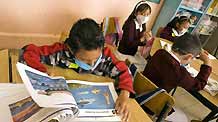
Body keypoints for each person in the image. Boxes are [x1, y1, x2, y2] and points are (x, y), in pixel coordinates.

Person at [20, 18, 134, 121]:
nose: (92, 64)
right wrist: (42, 71)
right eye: (85, 60)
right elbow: (27, 52)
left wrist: (124, 94)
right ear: (70, 49)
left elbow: (125, 72)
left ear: (102, 47)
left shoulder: (106, 57)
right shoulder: (60, 53)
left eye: (97, 58)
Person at [142, 33, 212, 93]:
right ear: (188, 56)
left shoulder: (160, 52)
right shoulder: (180, 73)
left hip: (140, 88)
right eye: (193, 58)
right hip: (152, 102)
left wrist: (197, 50)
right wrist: (207, 63)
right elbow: (199, 85)